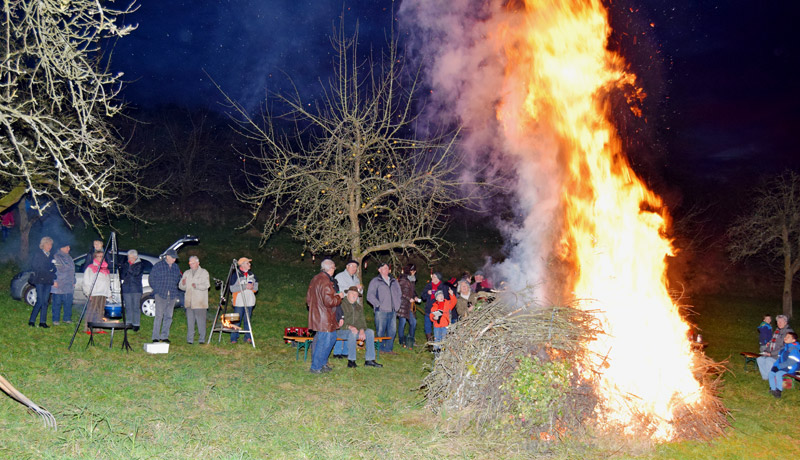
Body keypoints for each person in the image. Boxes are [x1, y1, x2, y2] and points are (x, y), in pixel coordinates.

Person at [307, 258, 344, 373]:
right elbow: (330, 301)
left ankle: (322, 364)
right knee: (324, 342)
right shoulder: (325, 281)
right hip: (325, 317)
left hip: (320, 316)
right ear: (331, 268)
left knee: (331, 338)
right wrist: (339, 296)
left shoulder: (315, 279)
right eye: (334, 268)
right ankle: (315, 367)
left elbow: (308, 299)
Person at [337, 286, 383, 368]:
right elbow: (337, 321)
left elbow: (362, 322)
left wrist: (362, 330)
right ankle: (351, 361)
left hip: (355, 331)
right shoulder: (340, 304)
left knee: (370, 332)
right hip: (341, 331)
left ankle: (369, 360)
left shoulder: (359, 307)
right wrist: (349, 327)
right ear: (347, 294)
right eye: (352, 293)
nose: (354, 296)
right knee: (353, 333)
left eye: (356, 294)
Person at [366, 262, 402, 354]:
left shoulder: (394, 281)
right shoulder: (375, 281)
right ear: (379, 270)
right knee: (380, 330)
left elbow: (399, 293)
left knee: (392, 331)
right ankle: (380, 349)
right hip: (381, 311)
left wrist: (397, 304)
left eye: (387, 268)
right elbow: (370, 295)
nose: (386, 269)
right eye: (384, 268)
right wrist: (378, 304)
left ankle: (389, 349)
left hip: (393, 310)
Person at [149, 249, 182, 343]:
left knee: (169, 316)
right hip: (161, 294)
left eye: (175, 258)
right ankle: (155, 336)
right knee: (159, 316)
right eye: (173, 258)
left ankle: (164, 336)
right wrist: (157, 290)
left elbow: (178, 279)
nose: (174, 260)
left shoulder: (176, 267)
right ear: (167, 256)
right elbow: (151, 278)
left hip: (172, 295)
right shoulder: (158, 266)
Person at [332, 259, 362, 358]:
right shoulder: (339, 276)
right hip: (343, 304)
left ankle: (345, 351)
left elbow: (358, 293)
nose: (354, 268)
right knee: (342, 326)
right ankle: (337, 351)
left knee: (351, 327)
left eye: (355, 267)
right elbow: (338, 291)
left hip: (353, 306)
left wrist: (360, 289)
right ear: (347, 266)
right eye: (352, 266)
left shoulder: (356, 278)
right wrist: (354, 287)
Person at [179, 256, 210, 344]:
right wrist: (183, 283)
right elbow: (181, 287)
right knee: (190, 321)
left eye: (193, 263)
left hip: (200, 302)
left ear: (198, 263)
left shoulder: (204, 272)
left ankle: (202, 339)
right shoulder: (186, 273)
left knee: (201, 322)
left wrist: (197, 286)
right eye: (190, 263)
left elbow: (207, 285)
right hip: (189, 301)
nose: (191, 265)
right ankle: (190, 339)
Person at [28, 236, 56, 328]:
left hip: (48, 281)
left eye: (51, 244)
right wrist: (49, 270)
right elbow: (36, 266)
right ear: (43, 244)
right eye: (48, 244)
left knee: (45, 301)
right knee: (40, 300)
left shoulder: (51, 255)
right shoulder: (38, 254)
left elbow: (54, 268)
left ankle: (42, 322)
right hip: (39, 280)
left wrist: (52, 271)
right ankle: (32, 320)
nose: (49, 246)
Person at [229, 257, 258, 344]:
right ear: (242, 265)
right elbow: (232, 289)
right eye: (248, 263)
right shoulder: (235, 275)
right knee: (236, 320)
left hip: (249, 301)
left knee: (247, 320)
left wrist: (252, 287)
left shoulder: (252, 275)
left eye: (249, 263)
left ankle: (247, 337)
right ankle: (234, 338)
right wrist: (245, 286)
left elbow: (256, 288)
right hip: (239, 301)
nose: (250, 265)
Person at [757, 314, 794, 380]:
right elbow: (771, 342)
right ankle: (765, 377)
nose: (779, 323)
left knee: (769, 360)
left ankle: (770, 378)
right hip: (772, 353)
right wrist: (766, 351)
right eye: (777, 322)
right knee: (759, 359)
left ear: (785, 322)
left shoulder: (788, 333)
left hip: (781, 355)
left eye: (781, 322)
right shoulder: (777, 330)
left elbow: (784, 347)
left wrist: (771, 354)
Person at [82, 250, 110, 331]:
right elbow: (86, 282)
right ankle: (87, 328)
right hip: (94, 293)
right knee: (91, 311)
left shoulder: (105, 269)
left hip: (103, 293)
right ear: (95, 257)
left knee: (100, 312)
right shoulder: (90, 268)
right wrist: (88, 293)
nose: (101, 258)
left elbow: (107, 282)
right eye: (99, 256)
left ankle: (99, 328)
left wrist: (109, 293)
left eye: (102, 256)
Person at [767, 331, 800, 398]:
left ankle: (778, 390)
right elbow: (779, 359)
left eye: (788, 337)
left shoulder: (793, 349)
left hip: (790, 368)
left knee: (779, 374)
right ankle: (772, 389)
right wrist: (775, 366)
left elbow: (791, 362)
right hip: (783, 366)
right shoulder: (784, 349)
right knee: (771, 373)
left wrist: (779, 367)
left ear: (793, 340)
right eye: (785, 336)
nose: (785, 338)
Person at [51, 242, 75, 325]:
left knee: (68, 302)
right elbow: (53, 270)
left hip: (68, 283)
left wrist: (73, 281)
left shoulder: (69, 257)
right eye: (66, 247)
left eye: (69, 247)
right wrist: (54, 281)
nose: (68, 249)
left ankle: (67, 318)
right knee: (57, 303)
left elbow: (72, 270)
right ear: (61, 248)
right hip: (59, 283)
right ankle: (55, 319)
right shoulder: (56, 257)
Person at [120, 250, 144, 331]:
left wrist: (129, 267)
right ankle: (128, 323)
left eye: (131, 257)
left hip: (136, 289)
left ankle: (136, 324)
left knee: (136, 307)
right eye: (128, 257)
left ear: (136, 257)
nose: (129, 259)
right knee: (128, 306)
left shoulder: (140, 264)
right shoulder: (126, 264)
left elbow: (135, 274)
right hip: (126, 288)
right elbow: (123, 275)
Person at [398, 264, 420, 349]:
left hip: (410, 305)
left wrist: (415, 296)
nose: (414, 272)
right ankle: (401, 340)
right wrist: (408, 298)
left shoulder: (412, 280)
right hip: (403, 304)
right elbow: (400, 292)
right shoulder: (403, 279)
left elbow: (412, 291)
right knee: (402, 323)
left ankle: (411, 340)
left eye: (414, 270)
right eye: (412, 270)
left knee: (413, 322)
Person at [430, 287, 457, 356]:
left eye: (442, 295)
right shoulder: (434, 307)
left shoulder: (447, 304)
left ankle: (443, 355)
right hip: (437, 326)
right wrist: (434, 318)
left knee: (444, 340)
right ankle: (437, 355)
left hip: (445, 325)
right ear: (436, 298)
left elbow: (454, 302)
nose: (441, 297)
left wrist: (451, 295)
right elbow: (431, 316)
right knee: (437, 340)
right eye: (439, 296)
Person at [420, 272, 443, 344]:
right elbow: (423, 296)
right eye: (432, 277)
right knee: (427, 326)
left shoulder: (442, 286)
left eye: (434, 277)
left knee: (438, 326)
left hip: (439, 310)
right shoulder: (429, 286)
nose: (432, 278)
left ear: (438, 279)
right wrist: (427, 292)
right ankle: (430, 343)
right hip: (429, 309)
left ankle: (439, 342)